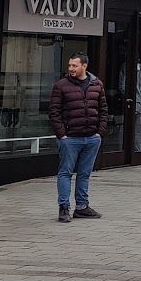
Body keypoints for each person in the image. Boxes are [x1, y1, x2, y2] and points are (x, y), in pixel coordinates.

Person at [48, 53, 108, 224]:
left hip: (91, 138)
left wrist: (99, 133)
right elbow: (54, 112)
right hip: (70, 138)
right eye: (70, 65)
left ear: (84, 66)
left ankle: (82, 207)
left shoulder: (97, 84)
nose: (71, 69)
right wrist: (63, 135)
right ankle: (64, 207)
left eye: (74, 66)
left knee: (84, 174)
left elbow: (103, 109)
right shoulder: (61, 86)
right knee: (65, 172)